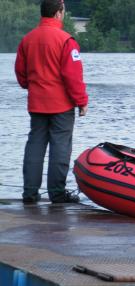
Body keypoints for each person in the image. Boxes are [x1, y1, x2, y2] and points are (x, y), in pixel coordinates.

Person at [14, 0, 88, 204]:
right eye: (63, 11)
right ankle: (57, 193)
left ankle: (29, 193)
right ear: (58, 13)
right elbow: (73, 76)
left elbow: (21, 74)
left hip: (37, 104)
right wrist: (81, 102)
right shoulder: (66, 40)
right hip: (61, 106)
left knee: (35, 146)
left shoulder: (27, 39)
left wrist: (35, 87)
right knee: (60, 147)